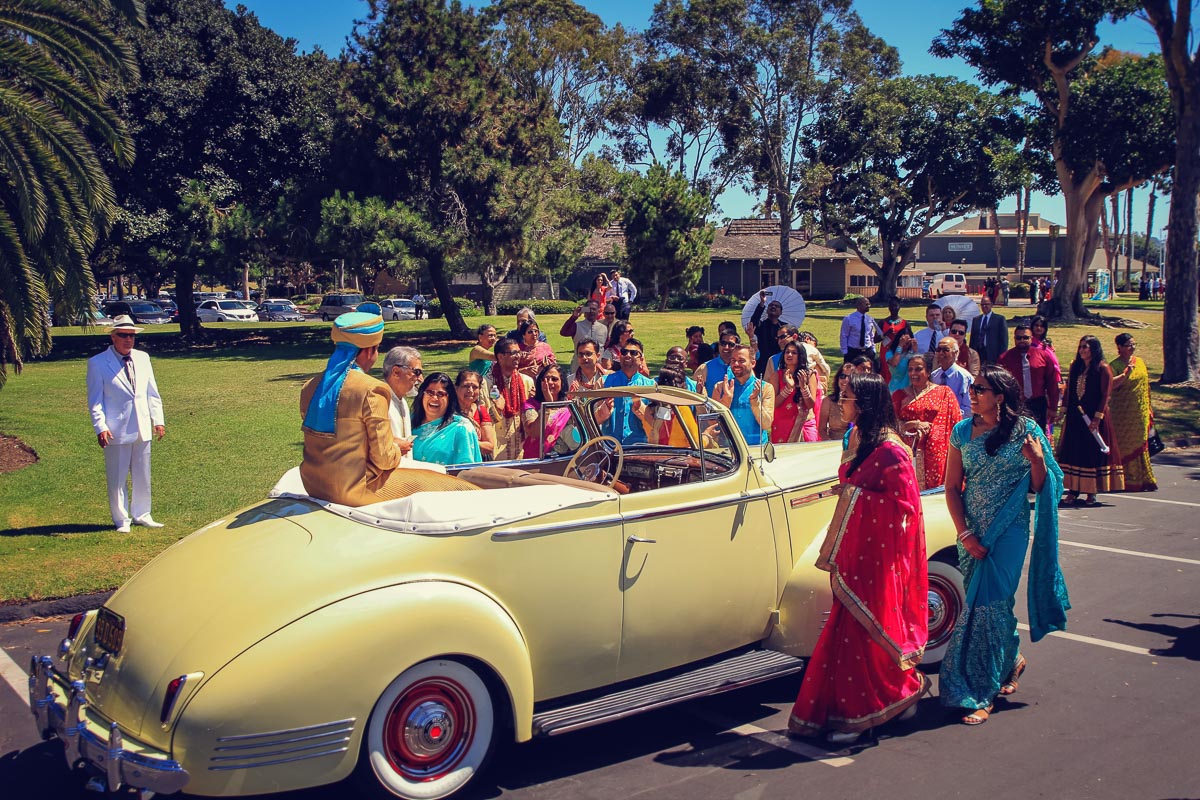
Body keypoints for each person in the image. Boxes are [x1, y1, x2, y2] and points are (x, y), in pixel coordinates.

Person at [787, 372, 929, 744]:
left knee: (865, 631)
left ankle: (861, 716)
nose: (839, 402)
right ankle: (901, 695)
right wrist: (849, 489)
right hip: (857, 553)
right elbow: (857, 482)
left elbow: (907, 509)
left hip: (879, 558)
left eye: (846, 397)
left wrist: (854, 495)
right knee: (848, 631)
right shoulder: (859, 438)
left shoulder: (892, 450)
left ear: (864, 405)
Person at [940, 365, 1069, 725]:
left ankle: (983, 690)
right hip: (971, 532)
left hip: (1009, 530)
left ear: (999, 396)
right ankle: (1011, 658)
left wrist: (1038, 461)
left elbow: (1044, 487)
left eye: (979, 389)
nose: (972, 393)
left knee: (990, 606)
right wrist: (965, 533)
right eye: (973, 387)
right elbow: (952, 488)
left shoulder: (1025, 431)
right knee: (985, 602)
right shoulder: (961, 432)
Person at [300, 311, 475, 505]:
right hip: (356, 489)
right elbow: (383, 459)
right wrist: (396, 447)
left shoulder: (310, 386)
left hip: (313, 485)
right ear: (369, 351)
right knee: (463, 489)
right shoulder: (372, 389)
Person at [86, 315, 166, 533]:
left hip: (142, 425)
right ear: (113, 337)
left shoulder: (143, 358)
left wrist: (158, 419)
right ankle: (122, 519)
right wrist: (100, 426)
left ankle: (143, 514)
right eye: (123, 335)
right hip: (116, 430)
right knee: (117, 476)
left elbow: (152, 392)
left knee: (143, 474)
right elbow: (95, 400)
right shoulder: (98, 363)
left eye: (131, 336)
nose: (128, 339)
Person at [1057, 335, 1125, 505]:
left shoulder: (1103, 368)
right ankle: (1073, 491)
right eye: (1080, 347)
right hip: (1075, 416)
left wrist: (1097, 418)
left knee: (1091, 453)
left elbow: (1105, 395)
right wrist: (1063, 410)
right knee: (1073, 451)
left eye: (1086, 347)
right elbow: (1069, 391)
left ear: (1094, 349)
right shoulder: (1076, 366)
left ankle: (1091, 491)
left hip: (1093, 417)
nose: (1082, 350)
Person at [893, 353, 962, 490]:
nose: (913, 373)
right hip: (907, 452)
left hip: (937, 455)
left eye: (918, 369)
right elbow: (891, 426)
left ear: (929, 371)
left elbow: (955, 424)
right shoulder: (900, 395)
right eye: (910, 369)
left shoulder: (944, 393)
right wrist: (914, 424)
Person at [1108, 333, 1157, 492]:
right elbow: (1110, 386)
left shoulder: (1140, 362)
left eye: (1134, 344)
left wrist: (1148, 408)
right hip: (1121, 414)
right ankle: (1124, 480)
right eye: (1129, 344)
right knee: (1124, 446)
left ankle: (1143, 479)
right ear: (1119, 347)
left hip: (1139, 413)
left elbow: (1145, 387)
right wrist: (1125, 374)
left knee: (1140, 444)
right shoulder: (1114, 366)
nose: (1132, 347)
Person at [998, 325, 1061, 434]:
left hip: (1037, 403)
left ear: (1031, 338)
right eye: (1019, 338)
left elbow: (1052, 383)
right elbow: (999, 385)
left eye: (1025, 337)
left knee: (1037, 436)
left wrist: (1053, 408)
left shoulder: (1043, 356)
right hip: (1014, 404)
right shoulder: (1004, 359)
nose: (1022, 340)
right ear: (1014, 339)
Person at [483, 337, 536, 462]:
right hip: (497, 451)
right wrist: (496, 409)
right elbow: (482, 419)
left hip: (523, 448)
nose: (518, 356)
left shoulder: (526, 381)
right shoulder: (486, 383)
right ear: (500, 357)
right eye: (513, 353)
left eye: (519, 352)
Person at [411, 372, 482, 465]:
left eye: (441, 394)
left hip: (446, 478)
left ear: (450, 399)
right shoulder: (408, 421)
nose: (434, 398)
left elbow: (466, 468)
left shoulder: (461, 427)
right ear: (422, 395)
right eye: (430, 392)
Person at [711, 345, 775, 445]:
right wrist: (725, 401)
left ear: (753, 363)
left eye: (741, 361)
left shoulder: (765, 388)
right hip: (729, 449)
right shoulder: (720, 387)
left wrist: (755, 402)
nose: (736, 364)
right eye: (733, 360)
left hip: (756, 448)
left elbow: (766, 424)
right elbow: (712, 423)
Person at [597, 337, 654, 445]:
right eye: (624, 352)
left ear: (641, 359)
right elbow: (593, 419)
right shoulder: (604, 382)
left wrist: (639, 407)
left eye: (633, 353)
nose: (628, 355)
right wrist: (604, 408)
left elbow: (655, 424)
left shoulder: (650, 386)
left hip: (639, 446)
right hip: (610, 445)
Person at [383, 345, 427, 465]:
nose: (421, 379)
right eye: (417, 372)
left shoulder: (402, 401)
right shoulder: (379, 400)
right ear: (396, 372)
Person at [772, 341, 819, 443]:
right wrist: (788, 388)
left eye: (794, 353)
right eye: (787, 352)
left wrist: (803, 388)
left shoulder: (809, 375)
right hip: (782, 424)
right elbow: (774, 404)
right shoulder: (777, 375)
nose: (789, 355)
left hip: (804, 424)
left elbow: (811, 405)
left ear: (801, 356)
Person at [522, 364, 572, 458]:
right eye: (545, 379)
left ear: (562, 382)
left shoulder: (568, 406)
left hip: (564, 460)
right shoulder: (530, 405)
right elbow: (534, 433)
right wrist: (548, 405)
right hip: (536, 460)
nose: (549, 382)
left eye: (554, 379)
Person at [455, 370, 496, 460]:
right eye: (466, 386)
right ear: (456, 388)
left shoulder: (481, 411)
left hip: (478, 461)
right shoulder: (449, 413)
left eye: (475, 387)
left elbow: (489, 446)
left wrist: (465, 441)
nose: (470, 390)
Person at [559, 299, 607, 372]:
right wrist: (574, 316)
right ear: (584, 311)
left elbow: (606, 346)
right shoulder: (577, 326)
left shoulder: (603, 328)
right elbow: (563, 332)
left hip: (598, 367)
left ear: (599, 311)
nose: (591, 312)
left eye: (594, 309)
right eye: (588, 309)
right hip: (578, 366)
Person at [932, 336, 973, 419]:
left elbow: (970, 408)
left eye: (945, 350)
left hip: (957, 423)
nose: (941, 353)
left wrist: (949, 415)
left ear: (955, 353)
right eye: (938, 350)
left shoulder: (965, 377)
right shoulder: (934, 376)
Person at [749, 290, 786, 377]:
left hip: (779, 361)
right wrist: (762, 303)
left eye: (776, 306)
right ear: (767, 310)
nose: (773, 307)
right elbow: (753, 323)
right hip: (762, 362)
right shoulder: (761, 325)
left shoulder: (784, 327)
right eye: (771, 305)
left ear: (781, 312)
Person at [839, 296, 881, 368]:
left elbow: (871, 335)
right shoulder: (849, 319)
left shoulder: (869, 319)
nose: (869, 306)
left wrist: (873, 349)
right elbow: (844, 335)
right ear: (858, 305)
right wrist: (845, 351)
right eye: (866, 304)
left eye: (869, 304)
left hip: (868, 351)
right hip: (853, 351)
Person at [818, 362, 854, 442]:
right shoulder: (828, 401)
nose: (846, 380)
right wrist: (829, 443)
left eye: (850, 377)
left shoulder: (859, 401)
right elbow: (822, 429)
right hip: (833, 444)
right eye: (842, 376)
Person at [969, 295, 1009, 364]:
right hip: (978, 354)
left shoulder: (999, 319)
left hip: (993, 355)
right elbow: (972, 339)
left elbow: (1004, 340)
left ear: (991, 305)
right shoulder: (976, 320)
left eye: (986, 304)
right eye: (982, 304)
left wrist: (1001, 356)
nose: (984, 306)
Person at [878, 298, 908, 383]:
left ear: (899, 307)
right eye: (891, 306)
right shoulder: (883, 322)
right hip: (885, 351)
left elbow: (909, 338)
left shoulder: (904, 323)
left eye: (896, 305)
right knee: (885, 371)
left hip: (898, 351)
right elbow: (875, 339)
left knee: (896, 371)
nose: (893, 308)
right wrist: (886, 333)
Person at [885, 327, 918, 393]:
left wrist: (915, 351)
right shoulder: (890, 354)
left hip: (910, 391)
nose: (906, 344)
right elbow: (894, 363)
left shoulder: (911, 354)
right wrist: (900, 345)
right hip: (895, 390)